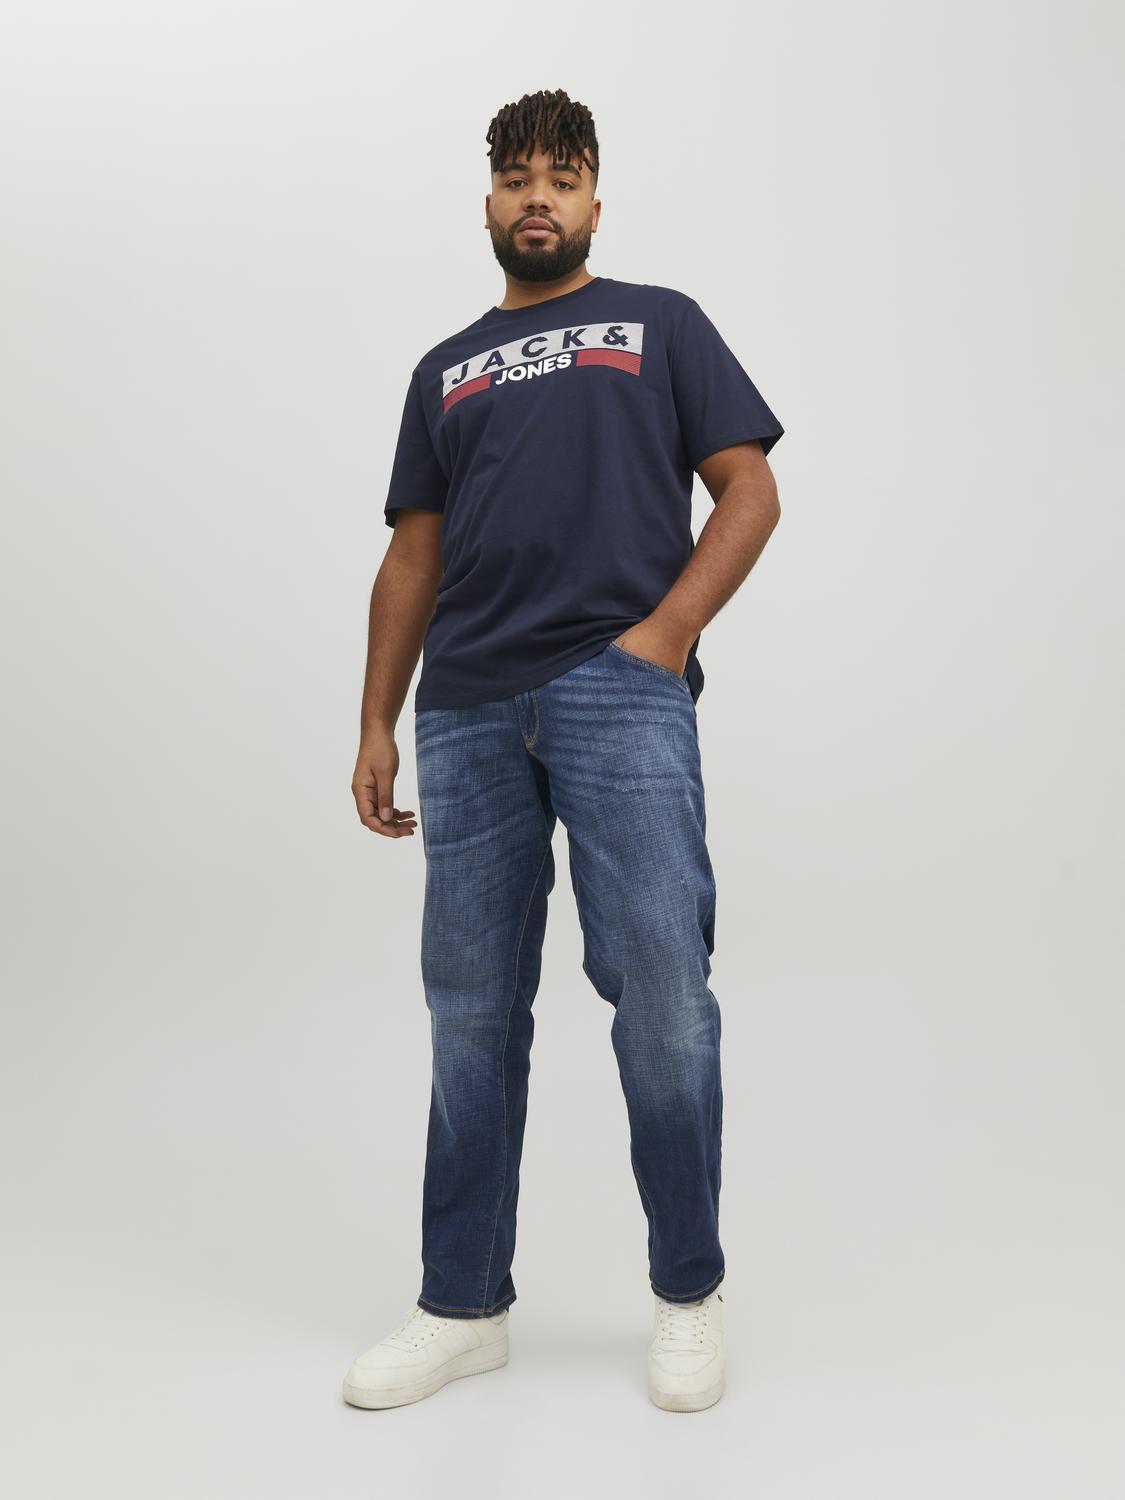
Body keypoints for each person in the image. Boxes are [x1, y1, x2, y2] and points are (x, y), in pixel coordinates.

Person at [343, 87, 783, 1414]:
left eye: (563, 176)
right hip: (467, 709)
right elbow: (411, 556)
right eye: (516, 177)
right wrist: (377, 718)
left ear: (595, 199)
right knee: (470, 1010)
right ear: (488, 202)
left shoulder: (660, 323)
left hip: (619, 692)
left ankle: (688, 1293)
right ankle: (461, 1305)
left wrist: (663, 639)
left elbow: (749, 488)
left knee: (662, 995)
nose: (537, 196)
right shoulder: (444, 368)